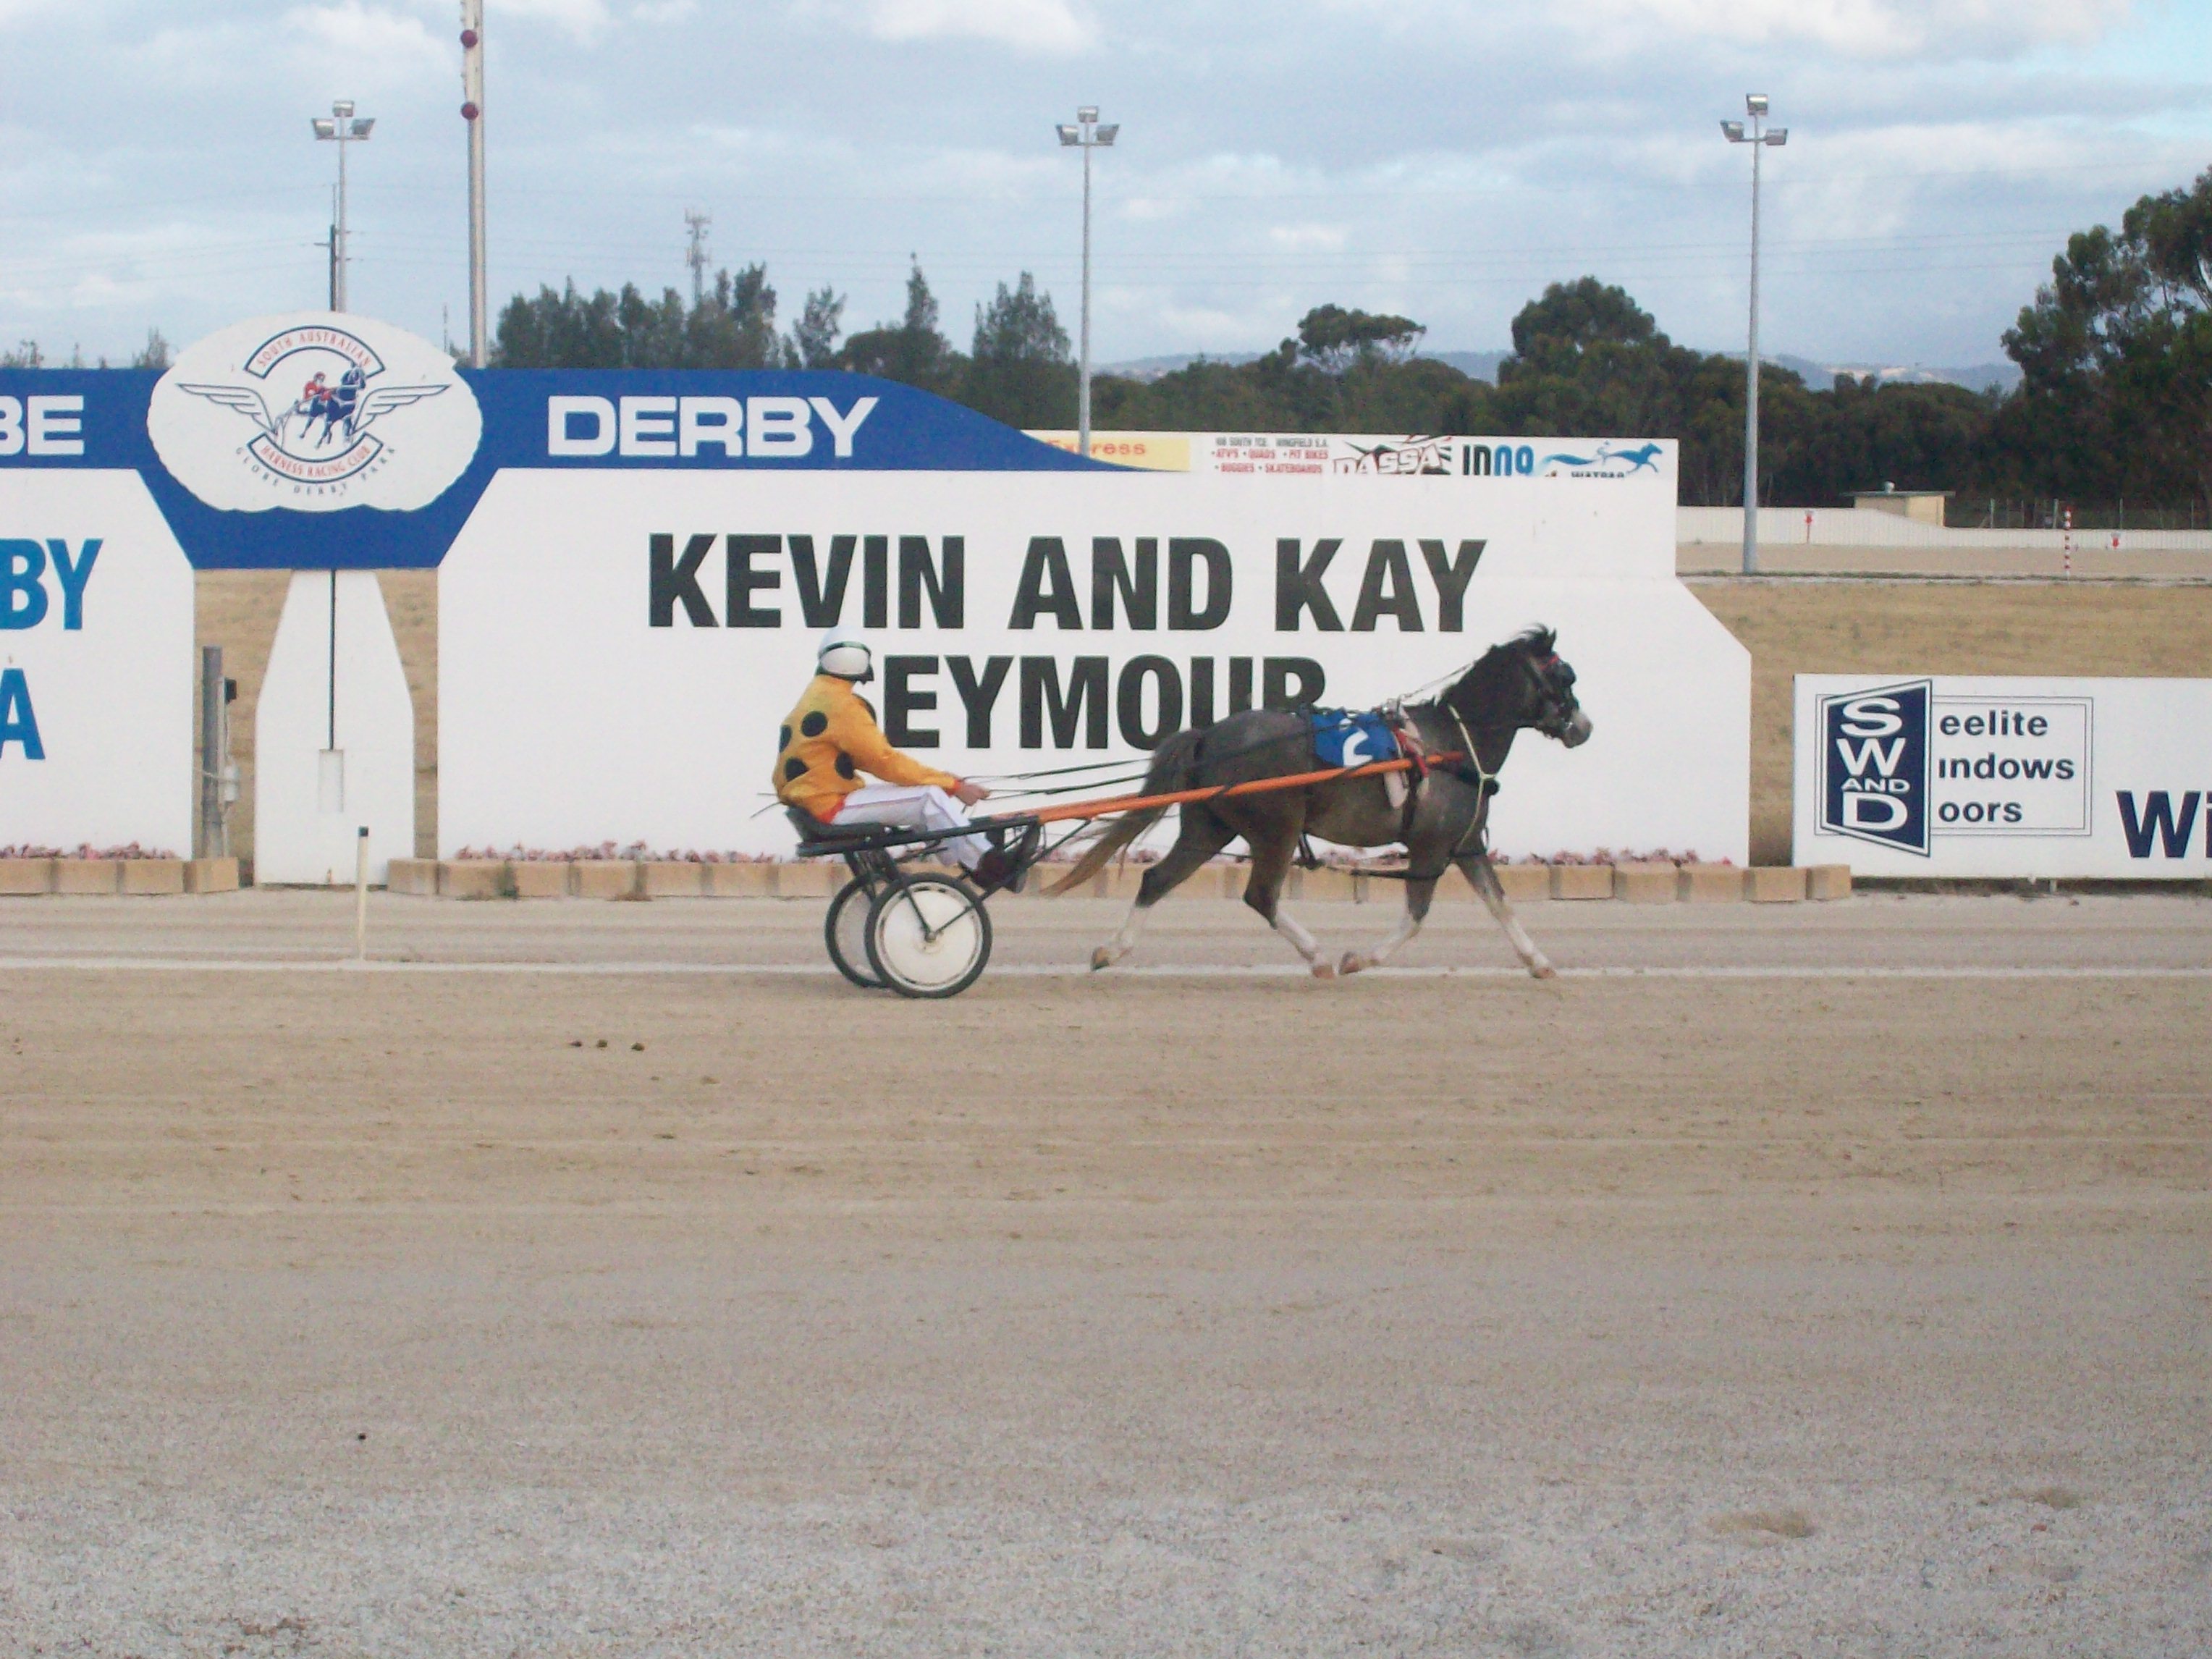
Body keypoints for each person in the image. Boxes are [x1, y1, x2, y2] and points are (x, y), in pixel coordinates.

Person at [772, 628, 1011, 884]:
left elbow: (868, 759)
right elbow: (886, 763)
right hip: (831, 808)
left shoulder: (816, 698)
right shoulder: (842, 706)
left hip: (815, 806)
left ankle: (965, 858)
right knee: (928, 798)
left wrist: (941, 779)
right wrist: (953, 786)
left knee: (927, 794)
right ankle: (989, 865)